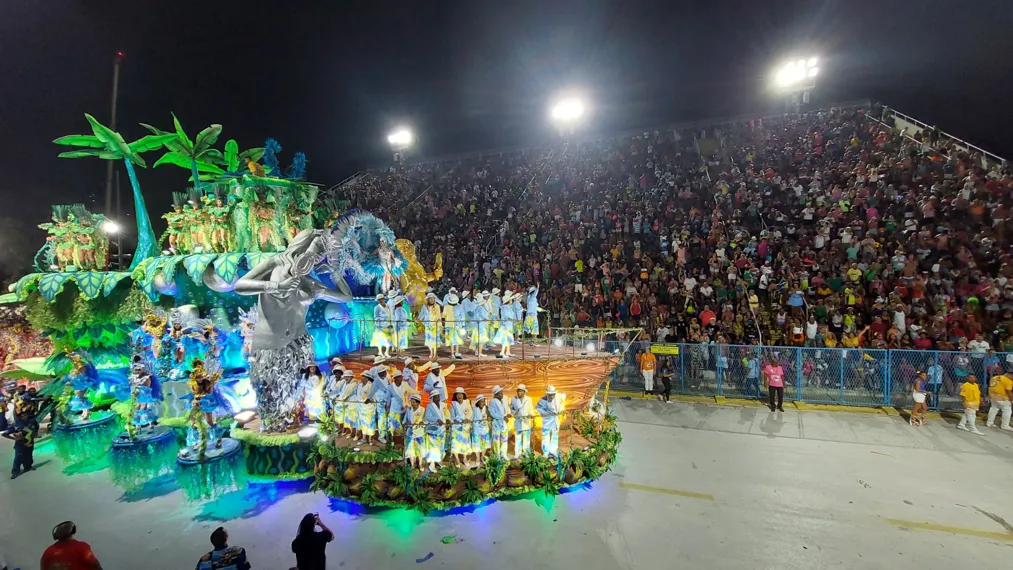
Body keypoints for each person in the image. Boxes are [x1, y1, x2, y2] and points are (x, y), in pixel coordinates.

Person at [423, 389, 447, 471]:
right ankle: (432, 464)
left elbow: (446, 414)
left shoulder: (443, 405)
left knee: (441, 446)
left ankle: (439, 461)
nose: (437, 398)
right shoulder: (429, 406)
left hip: (442, 430)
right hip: (433, 430)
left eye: (438, 396)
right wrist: (436, 419)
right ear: (432, 398)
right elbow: (427, 417)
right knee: (433, 447)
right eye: (435, 397)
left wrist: (448, 421)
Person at [535, 385, 561, 457]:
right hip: (547, 421)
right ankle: (545, 452)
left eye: (553, 394)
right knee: (545, 435)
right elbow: (537, 407)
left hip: (555, 420)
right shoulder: (543, 400)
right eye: (550, 395)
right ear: (547, 394)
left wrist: (560, 411)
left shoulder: (558, 397)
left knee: (555, 436)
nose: (552, 396)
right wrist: (545, 413)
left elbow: (561, 405)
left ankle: (553, 450)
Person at [449, 387, 472, 467]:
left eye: (461, 394)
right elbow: (451, 415)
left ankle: (464, 458)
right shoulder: (453, 404)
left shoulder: (467, 403)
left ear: (463, 395)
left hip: (465, 426)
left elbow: (470, 413)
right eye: (457, 394)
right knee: (456, 444)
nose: (459, 396)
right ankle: (457, 459)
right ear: (455, 396)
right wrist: (454, 420)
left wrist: (467, 418)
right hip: (456, 427)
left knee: (465, 443)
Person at [510, 384, 534, 457]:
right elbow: (511, 409)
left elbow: (531, 409)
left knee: (526, 440)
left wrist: (531, 414)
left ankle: (526, 453)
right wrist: (515, 413)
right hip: (518, 422)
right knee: (518, 439)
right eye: (518, 391)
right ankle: (517, 453)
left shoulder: (529, 399)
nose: (519, 393)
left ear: (524, 392)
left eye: (521, 391)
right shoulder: (513, 399)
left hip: (526, 422)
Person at [487, 385, 509, 460]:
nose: (501, 394)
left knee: (504, 439)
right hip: (496, 424)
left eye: (502, 393)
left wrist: (506, 415)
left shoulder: (503, 400)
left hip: (504, 423)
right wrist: (503, 417)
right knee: (496, 441)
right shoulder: (493, 401)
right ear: (495, 394)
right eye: (499, 393)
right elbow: (492, 413)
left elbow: (505, 411)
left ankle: (504, 454)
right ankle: (497, 456)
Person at [371, 293, 393, 359]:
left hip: (388, 325)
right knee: (380, 340)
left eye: (381, 299)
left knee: (388, 340)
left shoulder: (387, 306)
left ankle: (386, 352)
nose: (380, 301)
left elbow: (390, 315)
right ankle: (380, 352)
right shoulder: (376, 308)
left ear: (383, 299)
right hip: (380, 326)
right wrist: (379, 323)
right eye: (379, 300)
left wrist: (391, 323)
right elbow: (376, 317)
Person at [471, 394, 491, 463]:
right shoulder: (473, 409)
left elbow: (490, 416)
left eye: (483, 401)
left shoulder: (487, 408)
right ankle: (477, 458)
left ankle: (482, 457)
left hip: (485, 430)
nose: (482, 403)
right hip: (476, 430)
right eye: (480, 401)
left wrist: (489, 418)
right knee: (477, 445)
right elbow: (471, 418)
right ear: (477, 402)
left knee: (485, 444)